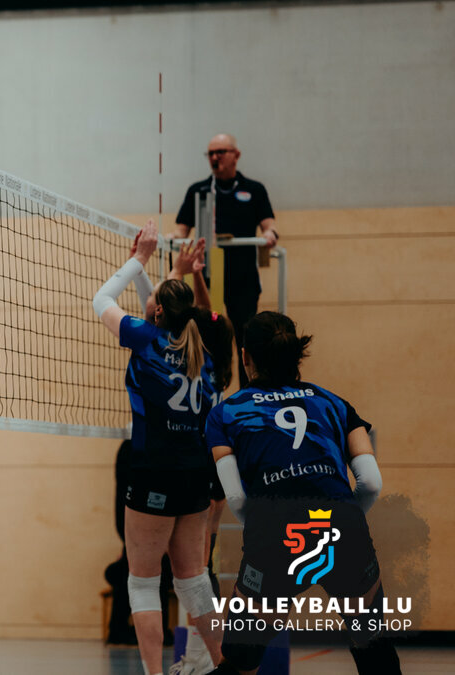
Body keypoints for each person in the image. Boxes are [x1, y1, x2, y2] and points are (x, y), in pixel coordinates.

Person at [204, 313, 401, 675]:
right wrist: (340, 514)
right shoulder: (334, 403)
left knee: (241, 659)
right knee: (373, 646)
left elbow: (236, 499)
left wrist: (268, 527)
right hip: (342, 525)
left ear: (245, 356)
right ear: (296, 354)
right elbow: (371, 482)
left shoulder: (226, 413)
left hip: (273, 531)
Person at [92, 222, 225, 675]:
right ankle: (222, 666)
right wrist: (172, 273)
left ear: (158, 313)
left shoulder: (145, 339)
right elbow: (173, 308)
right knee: (193, 580)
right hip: (196, 475)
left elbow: (101, 300)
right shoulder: (208, 351)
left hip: (152, 470)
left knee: (144, 584)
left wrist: (141, 257)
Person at [174, 133, 279, 387]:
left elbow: (269, 225)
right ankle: (206, 391)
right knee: (209, 334)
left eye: (220, 152)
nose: (214, 157)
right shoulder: (198, 190)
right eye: (210, 153)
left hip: (243, 279)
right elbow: (180, 229)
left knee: (245, 337)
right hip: (209, 279)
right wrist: (173, 238)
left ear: (236, 155)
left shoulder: (254, 190)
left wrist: (269, 235)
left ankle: (248, 394)